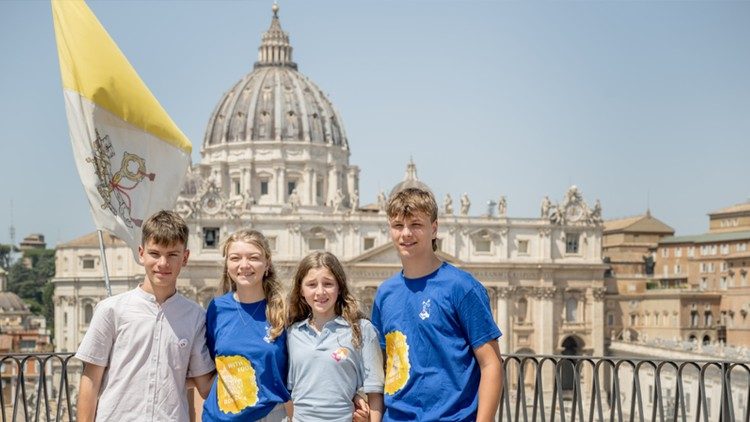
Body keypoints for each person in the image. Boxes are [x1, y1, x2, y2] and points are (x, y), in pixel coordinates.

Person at [371, 188, 504, 421]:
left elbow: (491, 363)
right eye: (398, 225)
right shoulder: (385, 294)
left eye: (416, 225)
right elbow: (381, 368)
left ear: (434, 228)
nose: (406, 233)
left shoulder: (461, 287)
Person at [76, 210, 215, 422]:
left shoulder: (195, 316)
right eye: (155, 253)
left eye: (172, 255)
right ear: (141, 254)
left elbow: (205, 386)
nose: (162, 263)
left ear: (184, 258)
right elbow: (91, 380)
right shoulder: (110, 310)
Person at [202, 229, 291, 421]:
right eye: (235, 258)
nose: (244, 265)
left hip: (270, 415)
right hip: (220, 417)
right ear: (227, 264)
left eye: (253, 257)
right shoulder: (216, 308)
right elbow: (208, 367)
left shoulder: (285, 311)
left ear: (267, 263)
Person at [286, 252, 384, 422]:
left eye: (328, 284)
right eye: (311, 284)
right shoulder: (291, 333)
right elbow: (288, 391)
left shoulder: (362, 330)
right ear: (301, 290)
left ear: (339, 287)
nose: (320, 292)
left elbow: (375, 392)